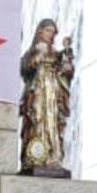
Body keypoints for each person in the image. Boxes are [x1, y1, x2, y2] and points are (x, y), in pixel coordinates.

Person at [19, 18, 74, 175]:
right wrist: (37, 58)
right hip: (37, 92)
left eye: (53, 32)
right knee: (37, 118)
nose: (51, 35)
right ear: (40, 31)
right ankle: (35, 156)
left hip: (53, 93)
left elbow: (66, 72)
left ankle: (53, 155)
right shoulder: (31, 52)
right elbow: (24, 69)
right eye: (49, 31)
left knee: (53, 121)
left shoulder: (56, 54)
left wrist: (67, 64)